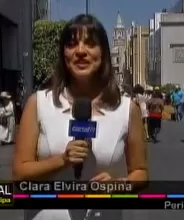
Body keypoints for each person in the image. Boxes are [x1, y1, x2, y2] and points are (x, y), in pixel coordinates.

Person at [13, 14, 148, 220]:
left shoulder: (127, 109)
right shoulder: (38, 103)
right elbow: (19, 174)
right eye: (72, 44)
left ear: (103, 53)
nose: (81, 51)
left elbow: (140, 173)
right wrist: (62, 160)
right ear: (64, 54)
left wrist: (119, 185)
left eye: (91, 44)